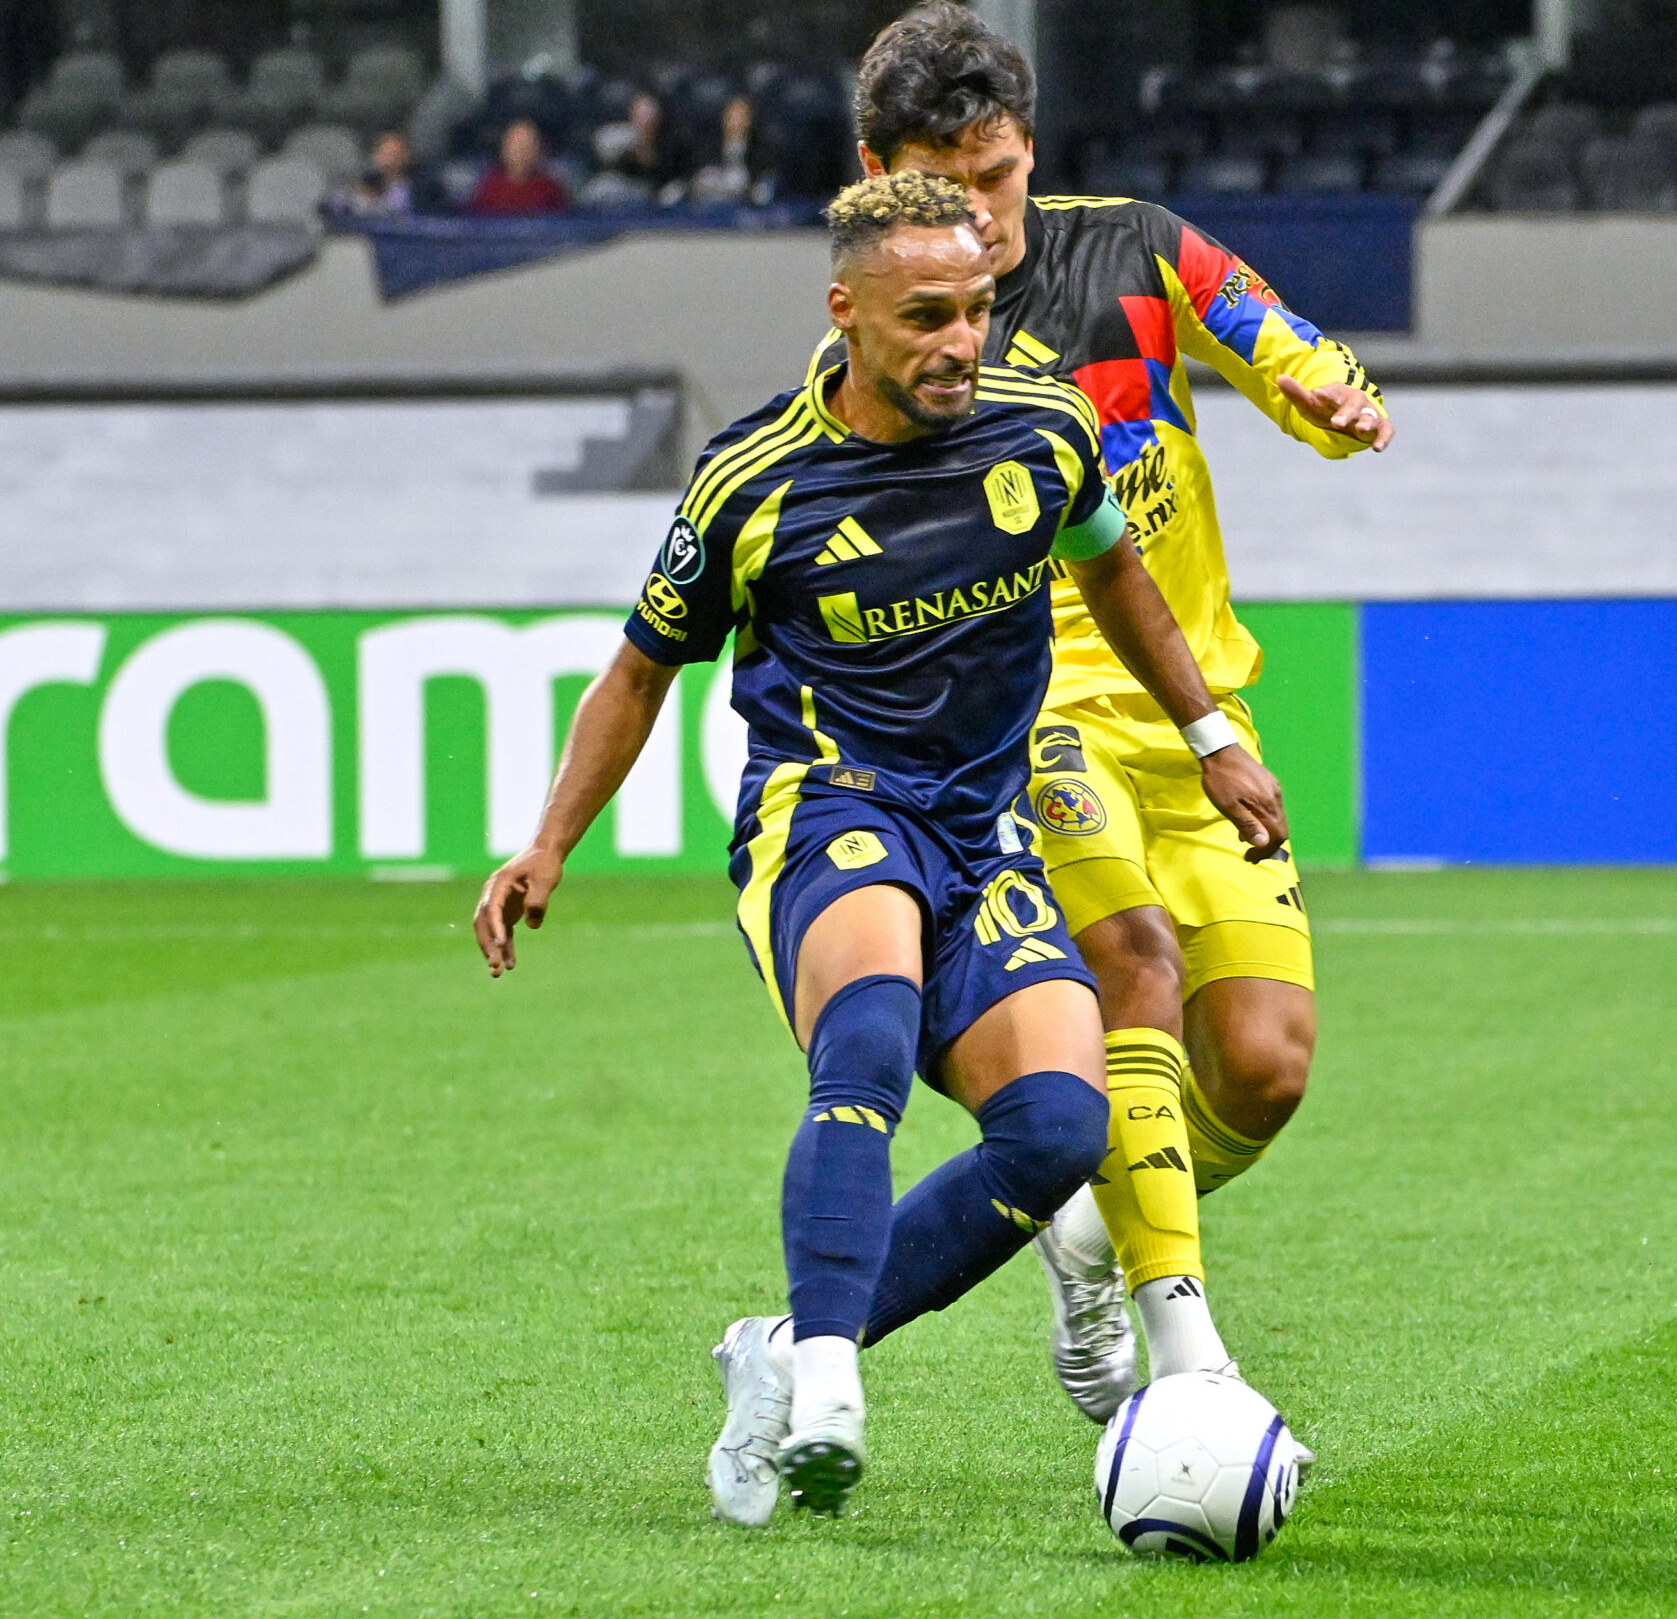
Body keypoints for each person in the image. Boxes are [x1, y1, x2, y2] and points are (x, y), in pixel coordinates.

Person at [470, 169, 1290, 1524]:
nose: (961, 341)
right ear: (846, 312)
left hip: (982, 827)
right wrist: (548, 844)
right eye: (926, 318)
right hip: (829, 808)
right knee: (866, 1036)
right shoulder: (753, 477)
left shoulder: (1045, 427)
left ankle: (780, 1349)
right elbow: (637, 670)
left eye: (975, 310)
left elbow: (1113, 573)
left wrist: (1208, 733)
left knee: (1057, 1129)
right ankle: (832, 1391)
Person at [836, 0, 1391, 1422]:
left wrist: (1329, 393)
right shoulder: (904, 341)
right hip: (1033, 717)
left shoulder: (1136, 245)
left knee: (1262, 1065)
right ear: (879, 175)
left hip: (1195, 704)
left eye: (999, 175)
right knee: (1133, 961)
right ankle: (1190, 1357)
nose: (982, 216)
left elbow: (1275, 335)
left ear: (1031, 148)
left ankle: (1087, 1219)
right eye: (945, 187)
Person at [466, 117, 570, 216]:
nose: (521, 151)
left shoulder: (549, 189)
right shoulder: (488, 188)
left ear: (538, 150)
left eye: (527, 145)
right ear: (504, 148)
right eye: (515, 145)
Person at [687, 94, 768, 207]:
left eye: (742, 116)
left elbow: (760, 184)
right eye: (733, 115)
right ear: (724, 117)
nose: (737, 121)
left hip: (743, 208)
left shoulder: (760, 150)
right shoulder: (707, 147)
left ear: (750, 120)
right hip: (710, 206)